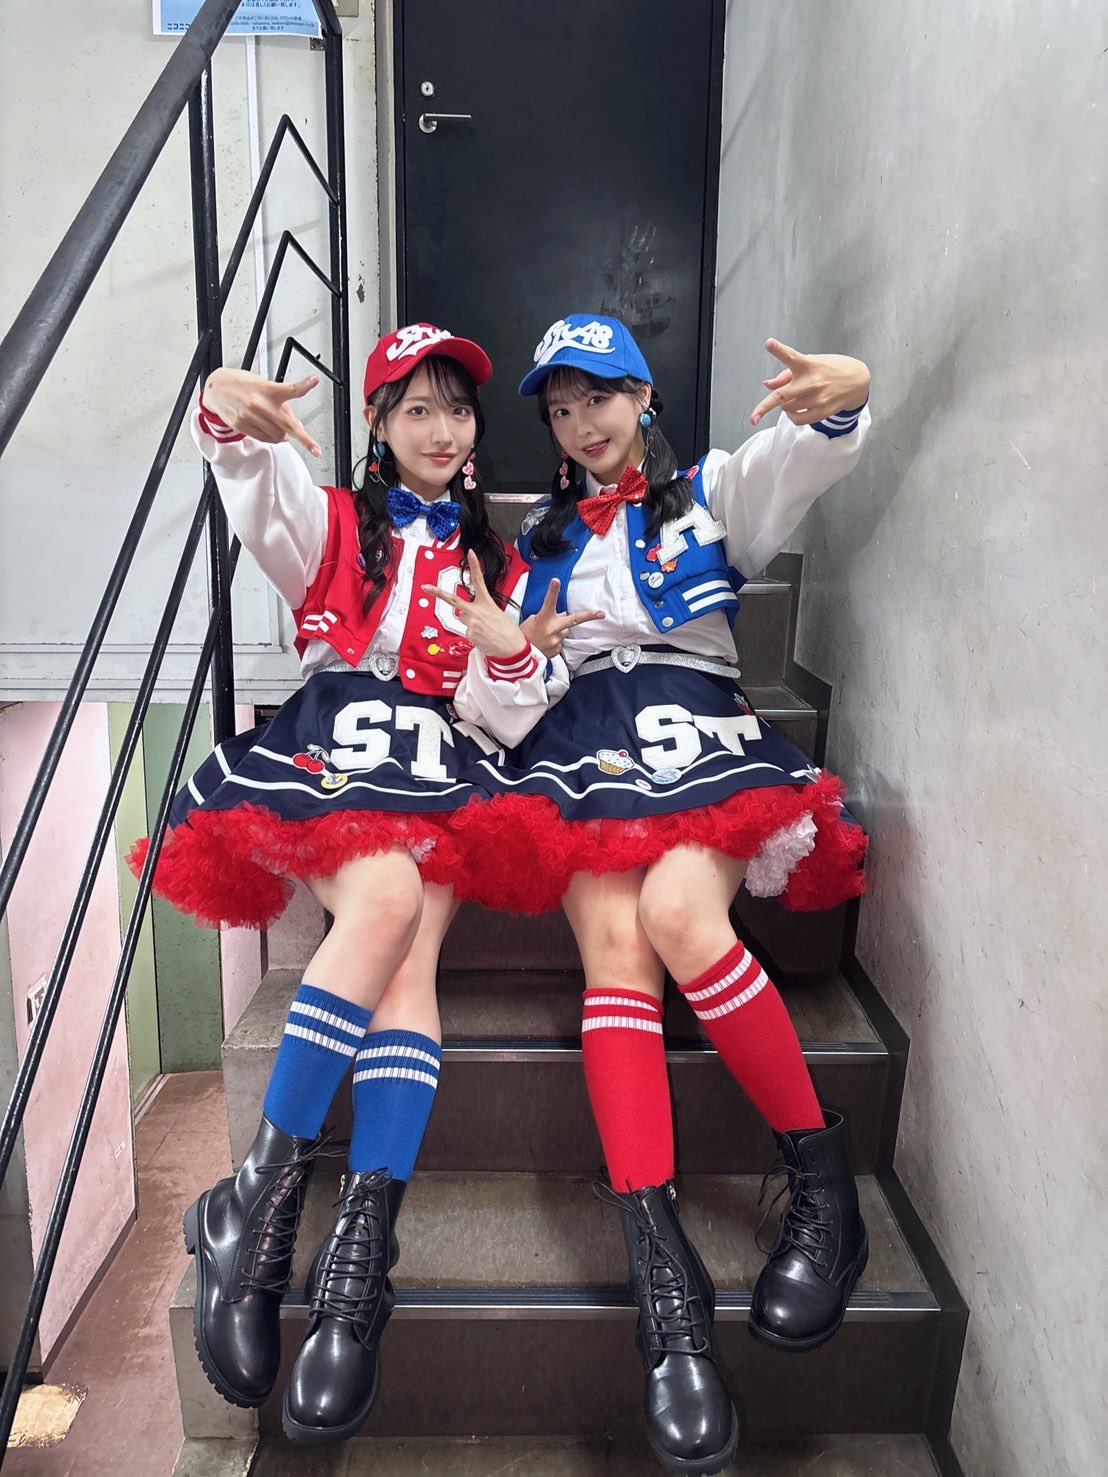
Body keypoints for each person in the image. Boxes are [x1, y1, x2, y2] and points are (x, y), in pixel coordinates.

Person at [444, 313, 873, 1475]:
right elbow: (504, 708)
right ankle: (664, 1288)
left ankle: (821, 1185)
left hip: (696, 730)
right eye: (559, 407)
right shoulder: (531, 547)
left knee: (680, 916)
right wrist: (507, 654)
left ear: (642, 396)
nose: (579, 423)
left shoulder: (716, 494)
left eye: (597, 395)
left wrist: (842, 397)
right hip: (582, 747)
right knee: (616, 951)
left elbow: (806, 454)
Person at [135, 324, 550, 1445]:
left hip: (442, 762)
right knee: (386, 905)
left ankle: (358, 1249)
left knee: (413, 960)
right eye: (416, 408)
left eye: (455, 408)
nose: (440, 428)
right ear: (377, 423)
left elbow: (512, 710)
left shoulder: (496, 559)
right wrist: (225, 410)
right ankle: (259, 1197)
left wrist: (506, 648)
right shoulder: (326, 522)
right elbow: (248, 476)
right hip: (334, 753)